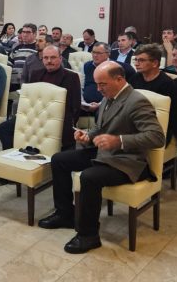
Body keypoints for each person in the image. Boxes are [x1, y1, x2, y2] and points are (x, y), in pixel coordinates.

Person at [38, 61, 164, 254]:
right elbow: (101, 127)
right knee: (59, 160)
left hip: (127, 161)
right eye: (97, 84)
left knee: (89, 177)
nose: (98, 89)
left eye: (102, 84)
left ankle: (88, 235)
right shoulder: (108, 96)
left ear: (119, 79)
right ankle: (65, 214)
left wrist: (119, 141)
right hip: (105, 154)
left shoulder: (137, 101)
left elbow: (157, 137)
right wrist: (88, 136)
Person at [0, 45, 80, 151]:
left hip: (57, 119)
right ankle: (14, 154)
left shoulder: (71, 77)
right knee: (3, 128)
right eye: (46, 58)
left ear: (60, 58)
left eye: (53, 57)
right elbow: (30, 99)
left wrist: (62, 122)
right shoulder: (36, 73)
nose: (49, 61)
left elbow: (75, 106)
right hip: (34, 116)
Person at [8, 23, 38, 91]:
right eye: (23, 32)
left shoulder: (38, 49)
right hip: (14, 82)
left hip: (29, 83)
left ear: (35, 34)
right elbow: (9, 65)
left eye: (28, 32)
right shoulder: (17, 48)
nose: (24, 35)